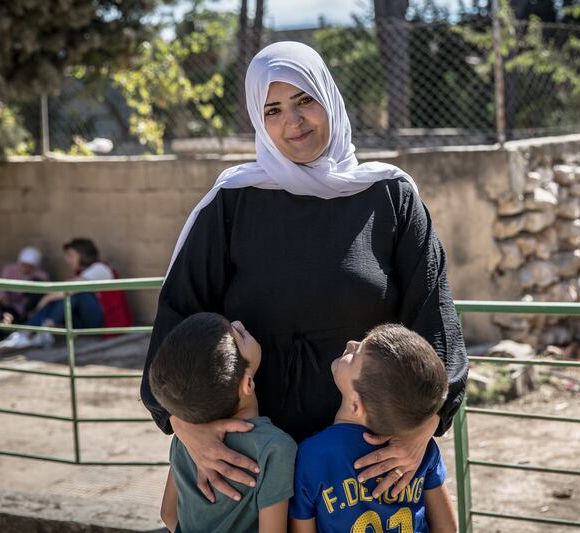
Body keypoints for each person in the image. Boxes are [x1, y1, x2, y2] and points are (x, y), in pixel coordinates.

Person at [140, 41, 468, 504]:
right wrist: (186, 427)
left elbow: (435, 323)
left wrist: (424, 428)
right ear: (258, 119)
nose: (292, 123)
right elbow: (177, 326)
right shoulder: (232, 201)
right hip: (249, 463)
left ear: (328, 97)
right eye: (272, 109)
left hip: (365, 463)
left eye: (304, 101)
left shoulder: (390, 196)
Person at [290, 324, 457, 533]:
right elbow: (448, 528)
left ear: (355, 405)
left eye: (355, 354)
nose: (351, 344)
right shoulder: (422, 448)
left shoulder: (313, 454)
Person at [151, 313, 295, 533]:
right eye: (238, 335)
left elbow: (168, 514)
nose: (238, 323)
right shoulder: (275, 448)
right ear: (247, 383)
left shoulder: (185, 439)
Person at [0, 238, 121, 351]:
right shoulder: (82, 272)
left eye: (70, 255)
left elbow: (68, 289)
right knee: (64, 295)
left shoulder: (99, 268)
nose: (67, 260)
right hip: (82, 321)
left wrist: (45, 299)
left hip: (104, 322)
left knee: (74, 293)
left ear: (82, 255)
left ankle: (40, 332)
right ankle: (26, 334)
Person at [0, 246, 50, 321]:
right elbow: (1, 289)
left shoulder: (40, 276)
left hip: (26, 309)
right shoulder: (9, 270)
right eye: (24, 265)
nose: (26, 268)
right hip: (8, 305)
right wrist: (3, 298)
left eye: (29, 266)